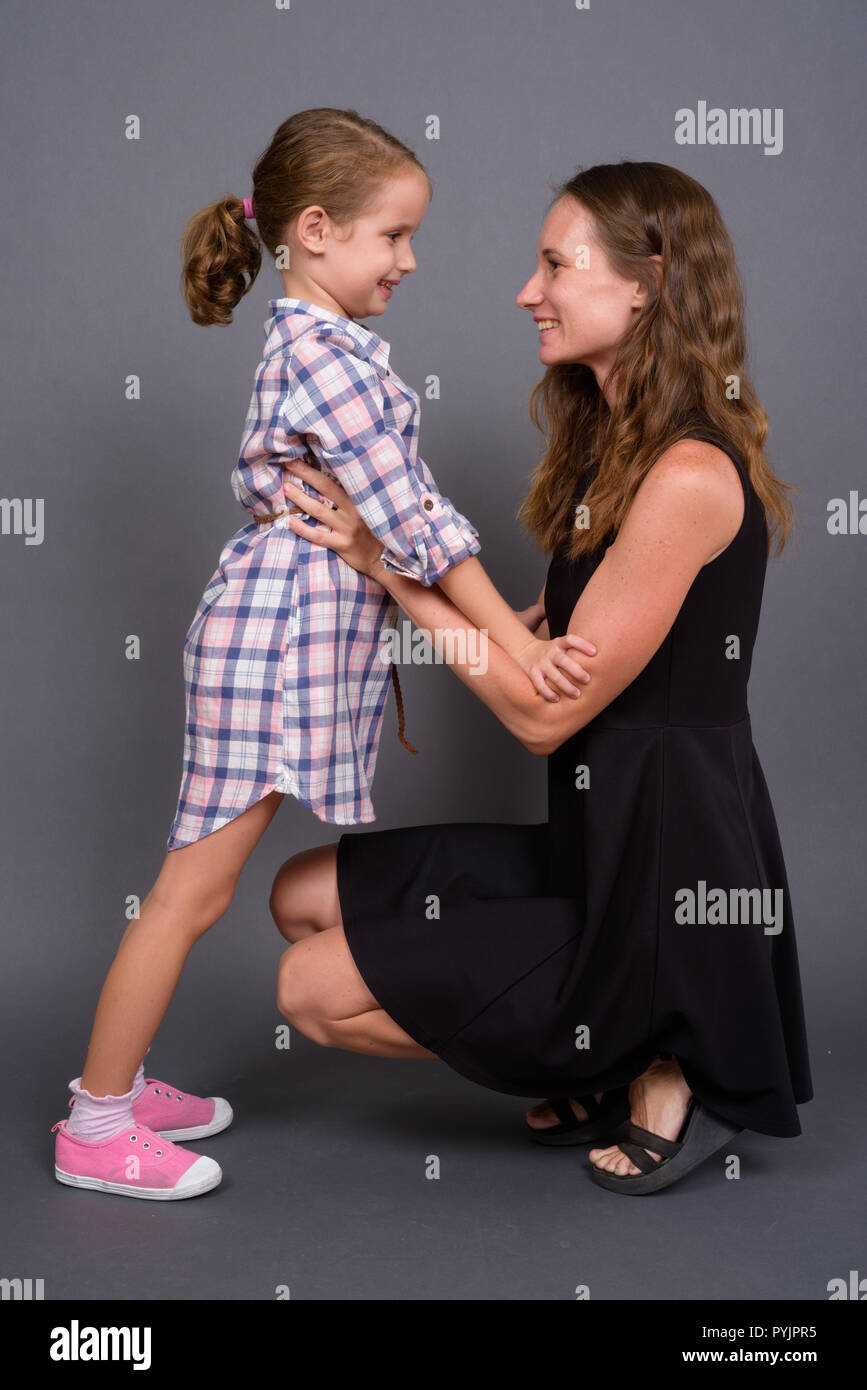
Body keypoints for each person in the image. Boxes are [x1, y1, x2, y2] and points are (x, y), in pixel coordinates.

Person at [50, 107, 590, 1200]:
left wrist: (497, 628)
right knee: (188, 896)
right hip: (270, 644)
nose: (410, 259)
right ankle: (97, 1126)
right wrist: (501, 636)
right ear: (314, 229)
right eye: (393, 235)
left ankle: (117, 1082)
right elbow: (413, 517)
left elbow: (399, 522)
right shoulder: (326, 360)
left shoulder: (324, 350)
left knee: (190, 889)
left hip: (280, 636)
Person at [269, 159, 814, 1195]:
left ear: (646, 284)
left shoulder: (689, 475)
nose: (528, 291)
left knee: (308, 990)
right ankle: (602, 1055)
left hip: (661, 877)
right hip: (589, 842)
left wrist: (382, 561)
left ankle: (650, 1058)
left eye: (554, 264)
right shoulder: (617, 446)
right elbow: (539, 638)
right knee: (299, 896)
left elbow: (538, 715)